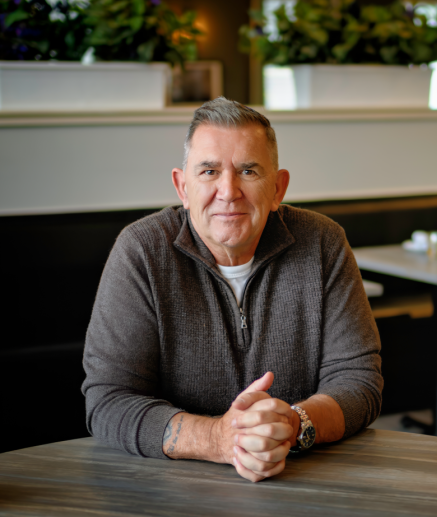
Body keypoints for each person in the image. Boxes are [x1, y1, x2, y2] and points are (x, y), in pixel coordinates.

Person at [82, 97, 383, 482]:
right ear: (183, 187)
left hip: (301, 478)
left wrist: (292, 425)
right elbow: (109, 401)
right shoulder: (141, 251)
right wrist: (219, 439)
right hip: (167, 487)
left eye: (248, 171)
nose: (228, 191)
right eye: (209, 171)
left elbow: (359, 381)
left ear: (278, 188)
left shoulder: (323, 242)